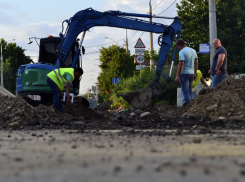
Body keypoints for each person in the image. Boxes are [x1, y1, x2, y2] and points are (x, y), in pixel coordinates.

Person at [175, 39, 198, 106]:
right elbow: (196, 62)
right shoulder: (193, 50)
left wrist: (177, 76)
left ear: (179, 46)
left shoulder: (182, 52)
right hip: (191, 73)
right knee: (190, 91)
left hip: (184, 74)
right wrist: (195, 72)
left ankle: (188, 107)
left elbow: (181, 63)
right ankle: (192, 106)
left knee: (185, 92)